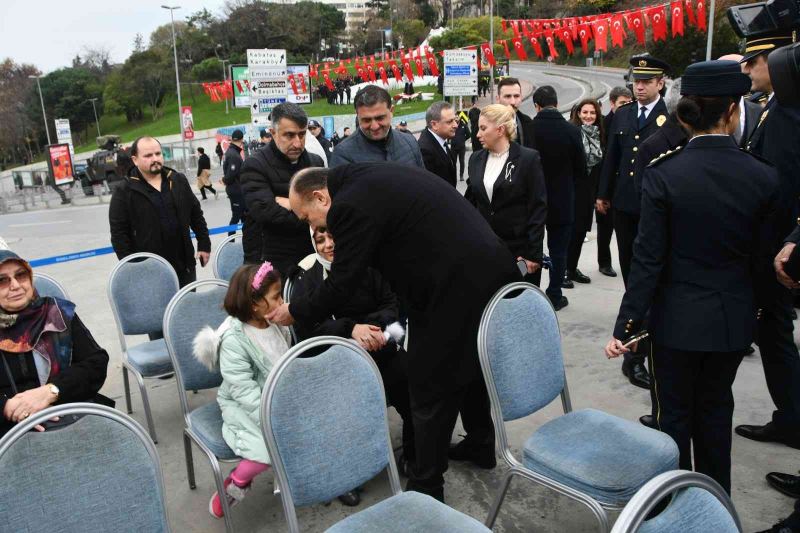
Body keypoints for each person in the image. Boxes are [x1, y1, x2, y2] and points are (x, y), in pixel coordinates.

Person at [268, 163, 520, 503]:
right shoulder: (370, 177)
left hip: (456, 285)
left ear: (320, 197)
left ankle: (427, 487)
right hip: (490, 267)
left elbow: (344, 282)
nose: (309, 225)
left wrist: (294, 310)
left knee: (427, 383)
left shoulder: (348, 206)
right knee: (469, 363)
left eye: (305, 216)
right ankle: (480, 443)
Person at [604, 60, 780, 494]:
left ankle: (672, 501)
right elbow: (763, 262)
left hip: (675, 323)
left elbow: (647, 261)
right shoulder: (763, 176)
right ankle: (714, 501)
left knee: (673, 418)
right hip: (732, 321)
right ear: (735, 112)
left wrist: (627, 327)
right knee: (717, 412)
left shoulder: (665, 173)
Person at [291, 226, 415, 506]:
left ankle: (412, 454)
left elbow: (391, 302)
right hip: (336, 362)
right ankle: (346, 475)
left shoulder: (365, 265)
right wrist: (350, 330)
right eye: (319, 240)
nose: (327, 245)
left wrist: (373, 330)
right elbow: (307, 326)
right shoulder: (307, 277)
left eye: (332, 237)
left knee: (412, 382)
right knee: (345, 408)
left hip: (379, 348)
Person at [461, 104, 546, 466]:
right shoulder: (476, 161)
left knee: (511, 317)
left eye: (482, 127)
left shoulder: (528, 160)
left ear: (501, 128)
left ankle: (514, 375)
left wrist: (531, 254)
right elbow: (473, 202)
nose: (477, 133)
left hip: (518, 254)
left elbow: (538, 207)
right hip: (484, 251)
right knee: (483, 317)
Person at [736, 29, 800, 450]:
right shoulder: (771, 106)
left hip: (775, 249)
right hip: (770, 243)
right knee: (772, 336)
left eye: (754, 62)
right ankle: (789, 417)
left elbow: (782, 187)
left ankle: (792, 420)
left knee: (775, 337)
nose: (747, 68)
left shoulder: (789, 116)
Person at [193, 262, 289, 519]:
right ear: (255, 304)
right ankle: (236, 483)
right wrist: (270, 418)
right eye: (276, 296)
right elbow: (243, 390)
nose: (282, 301)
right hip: (245, 403)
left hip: (276, 396)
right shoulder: (235, 339)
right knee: (265, 449)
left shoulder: (275, 322)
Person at [597, 56, 671, 390]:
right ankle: (636, 348)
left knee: (652, 279)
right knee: (632, 279)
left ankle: (640, 354)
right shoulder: (623, 114)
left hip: (655, 211)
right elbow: (610, 156)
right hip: (624, 207)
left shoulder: (669, 118)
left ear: (660, 83)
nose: (638, 86)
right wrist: (602, 194)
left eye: (646, 81)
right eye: (635, 81)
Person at [0, 250, 110, 438]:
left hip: (66, 411)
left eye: (21, 275)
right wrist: (7, 407)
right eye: (2, 280)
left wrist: (51, 391)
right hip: (8, 428)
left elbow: (96, 363)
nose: (16, 285)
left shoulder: (56, 314)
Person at [109, 136, 211, 287]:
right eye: (148, 156)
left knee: (186, 308)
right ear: (135, 160)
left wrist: (204, 245)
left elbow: (195, 214)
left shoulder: (177, 180)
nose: (155, 159)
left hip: (184, 267)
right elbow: (119, 236)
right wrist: (133, 268)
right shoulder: (124, 190)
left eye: (158, 154)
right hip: (149, 273)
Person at [240, 103, 324, 271]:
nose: (298, 143)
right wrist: (313, 213)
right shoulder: (255, 165)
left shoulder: (316, 163)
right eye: (289, 135)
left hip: (311, 256)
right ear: (273, 133)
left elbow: (329, 206)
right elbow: (268, 214)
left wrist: (290, 203)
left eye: (302, 134)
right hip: (269, 262)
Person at [529, 86, 587, 310]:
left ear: (537, 106)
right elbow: (581, 168)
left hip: (533, 200)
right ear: (555, 102)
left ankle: (531, 292)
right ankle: (554, 293)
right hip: (562, 200)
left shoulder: (530, 128)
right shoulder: (571, 130)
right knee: (559, 250)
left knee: (532, 248)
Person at [329, 85, 424, 168]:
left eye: (380, 118)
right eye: (366, 120)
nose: (374, 127)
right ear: (357, 116)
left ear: (391, 111)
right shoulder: (343, 156)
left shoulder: (410, 142)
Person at [564, 99, 605, 288]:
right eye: (585, 112)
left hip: (589, 191)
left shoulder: (600, 135)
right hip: (572, 190)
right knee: (569, 233)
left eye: (593, 113)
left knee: (581, 232)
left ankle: (572, 268)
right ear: (578, 114)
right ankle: (563, 270)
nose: (589, 116)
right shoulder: (571, 133)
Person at [597, 87, 632, 279]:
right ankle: (604, 262)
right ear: (612, 104)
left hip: (622, 184)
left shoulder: (631, 120)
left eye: (628, 103)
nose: (626, 106)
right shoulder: (604, 123)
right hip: (605, 181)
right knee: (604, 228)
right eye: (622, 103)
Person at [418, 101, 458, 187]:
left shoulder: (440, 139)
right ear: (434, 124)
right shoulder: (425, 150)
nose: (455, 125)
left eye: (455, 120)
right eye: (450, 121)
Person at [497, 77, 536, 150]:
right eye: (507, 96)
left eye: (516, 96)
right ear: (498, 99)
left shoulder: (528, 123)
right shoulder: (487, 124)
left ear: (521, 97)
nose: (513, 102)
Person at [223, 129, 247, 237]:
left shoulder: (232, 151)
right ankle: (230, 242)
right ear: (241, 139)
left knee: (244, 216)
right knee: (236, 216)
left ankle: (247, 239)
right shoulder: (234, 155)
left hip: (236, 189)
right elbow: (230, 175)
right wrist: (224, 180)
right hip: (236, 191)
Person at [452, 111, 471, 180]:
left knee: (461, 161)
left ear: (459, 117)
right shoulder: (452, 125)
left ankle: (461, 175)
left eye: (457, 117)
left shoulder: (464, 125)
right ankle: (453, 175)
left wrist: (463, 140)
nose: (456, 118)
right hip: (453, 147)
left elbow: (469, 135)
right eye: (455, 117)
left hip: (461, 147)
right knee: (453, 162)